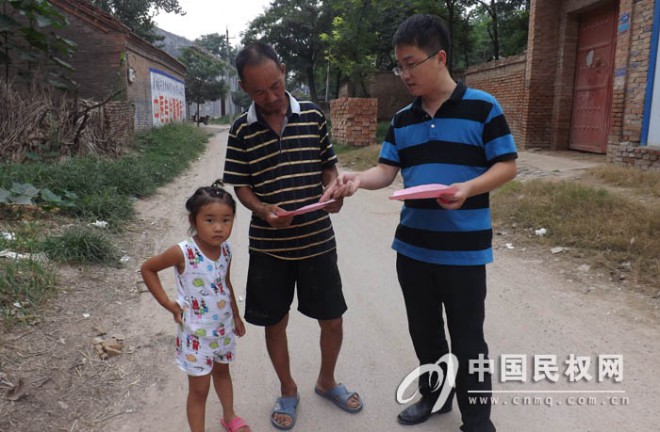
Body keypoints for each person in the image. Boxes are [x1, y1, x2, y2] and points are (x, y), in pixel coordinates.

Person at [323, 14, 517, 432]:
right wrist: (357, 179)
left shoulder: (482, 107)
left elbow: (507, 165)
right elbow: (385, 172)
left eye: (411, 64)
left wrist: (467, 188)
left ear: (440, 57)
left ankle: (478, 421)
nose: (404, 74)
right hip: (413, 250)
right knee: (425, 334)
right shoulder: (403, 120)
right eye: (400, 66)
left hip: (464, 252)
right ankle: (435, 396)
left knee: (468, 340)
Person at [222, 42, 363, 430]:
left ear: (283, 71)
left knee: (332, 319)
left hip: (317, 239)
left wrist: (334, 192)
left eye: (276, 85)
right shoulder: (241, 130)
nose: (270, 97)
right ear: (243, 88)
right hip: (270, 247)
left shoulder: (314, 117)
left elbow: (328, 168)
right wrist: (263, 210)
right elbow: (242, 186)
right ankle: (288, 388)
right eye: (258, 92)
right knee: (274, 321)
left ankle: (326, 379)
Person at [140, 181, 250, 432]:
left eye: (227, 219)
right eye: (210, 220)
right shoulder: (183, 252)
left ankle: (229, 416)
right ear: (194, 220)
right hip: (195, 336)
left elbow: (225, 283)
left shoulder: (226, 250)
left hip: (222, 330)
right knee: (199, 391)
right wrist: (168, 304)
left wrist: (236, 315)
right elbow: (148, 268)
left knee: (223, 374)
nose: (219, 228)